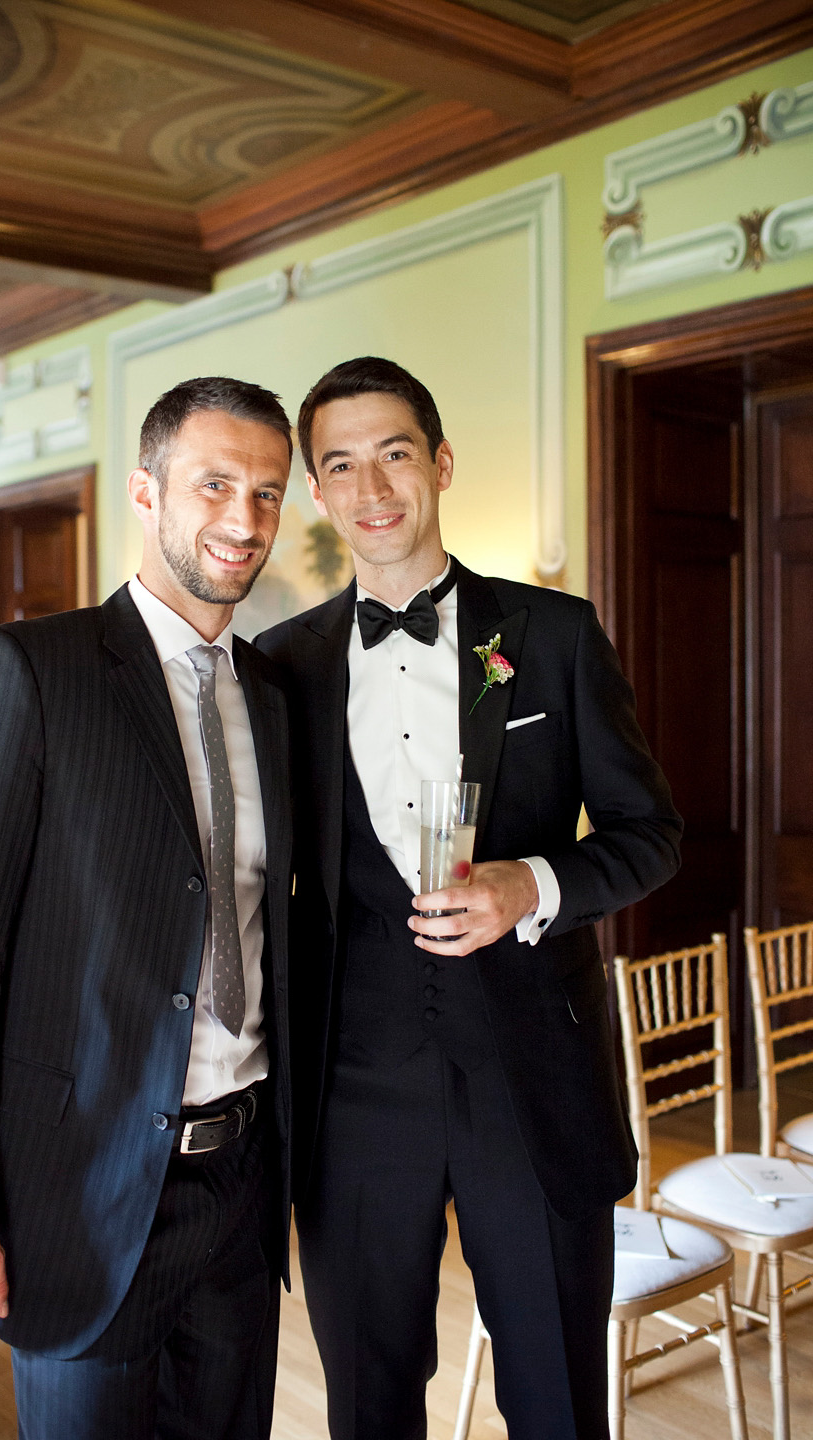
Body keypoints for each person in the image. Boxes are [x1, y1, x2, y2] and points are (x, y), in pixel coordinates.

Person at [257, 357, 682, 1440]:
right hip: (353, 1096)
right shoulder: (278, 667)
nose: (373, 488)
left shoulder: (554, 636)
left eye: (395, 453)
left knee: (555, 1401)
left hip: (531, 1078)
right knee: (368, 1404)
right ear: (318, 490)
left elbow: (652, 838)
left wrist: (530, 883)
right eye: (340, 465)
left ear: (439, 462)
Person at [0, 376, 296, 1440]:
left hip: (243, 1192)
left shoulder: (275, 699)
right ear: (147, 492)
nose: (244, 520)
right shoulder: (25, 673)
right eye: (216, 484)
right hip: (81, 1197)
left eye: (267, 492)